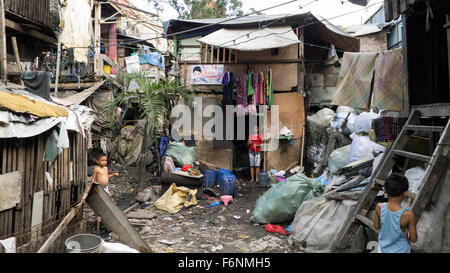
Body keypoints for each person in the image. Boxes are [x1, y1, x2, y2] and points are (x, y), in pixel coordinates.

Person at [373, 173, 418, 253]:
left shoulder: (379, 207)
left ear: (384, 190)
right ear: (405, 192)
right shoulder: (408, 215)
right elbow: (414, 239)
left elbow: (376, 226)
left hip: (383, 249)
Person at [91, 153, 119, 240]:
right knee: (99, 202)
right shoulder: (96, 169)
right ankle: (98, 216)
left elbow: (106, 176)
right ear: (97, 161)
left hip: (106, 187)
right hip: (99, 187)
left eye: (105, 160)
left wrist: (113, 175)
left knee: (107, 201)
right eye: (102, 160)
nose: (104, 162)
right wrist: (92, 186)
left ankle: (106, 215)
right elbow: (93, 178)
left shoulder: (106, 168)